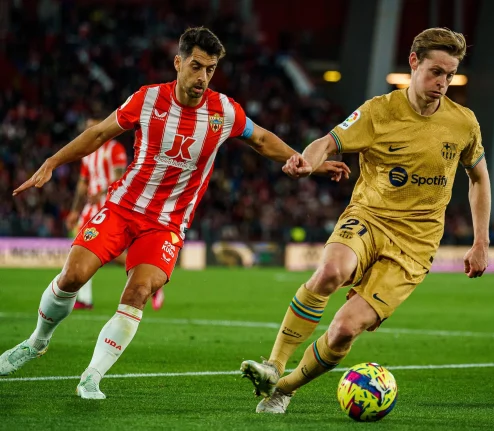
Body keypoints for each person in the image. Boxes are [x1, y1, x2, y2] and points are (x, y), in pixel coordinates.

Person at [0, 27, 350, 399]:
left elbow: (262, 139)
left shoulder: (223, 111)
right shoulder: (147, 100)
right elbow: (100, 133)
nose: (202, 77)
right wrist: (53, 161)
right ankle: (37, 342)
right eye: (196, 66)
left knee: (138, 291)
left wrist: (307, 163)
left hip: (166, 224)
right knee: (73, 275)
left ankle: (92, 376)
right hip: (122, 207)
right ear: (178, 63)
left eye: (211, 69)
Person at [241, 27, 491, 414]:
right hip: (369, 217)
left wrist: (480, 242)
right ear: (413, 62)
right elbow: (327, 141)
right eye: (435, 72)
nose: (442, 82)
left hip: (415, 244)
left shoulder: (463, 123)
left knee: (343, 330)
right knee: (329, 272)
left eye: (449, 74)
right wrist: (308, 161)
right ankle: (273, 365)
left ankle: (284, 390)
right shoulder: (378, 112)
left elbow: (478, 178)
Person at [65, 118, 165, 311]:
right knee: (83, 246)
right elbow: (82, 183)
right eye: (87, 127)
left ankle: (147, 278)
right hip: (91, 208)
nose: (90, 130)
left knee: (108, 252)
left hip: (111, 204)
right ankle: (84, 299)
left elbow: (119, 177)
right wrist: (74, 211)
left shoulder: (115, 149)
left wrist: (100, 193)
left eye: (93, 126)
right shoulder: (88, 153)